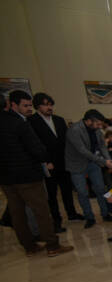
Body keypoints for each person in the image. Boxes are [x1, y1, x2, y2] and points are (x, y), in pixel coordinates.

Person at [0, 90, 73, 257]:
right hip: (27, 175)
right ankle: (52, 245)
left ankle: (29, 246)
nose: (28, 109)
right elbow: (37, 150)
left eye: (29, 105)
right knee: (41, 211)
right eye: (25, 106)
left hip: (5, 177)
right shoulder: (20, 124)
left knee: (17, 213)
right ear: (12, 105)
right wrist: (44, 158)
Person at [28, 92, 80, 230]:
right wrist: (45, 161)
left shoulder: (59, 120)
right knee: (51, 194)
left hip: (63, 161)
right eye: (45, 105)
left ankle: (72, 213)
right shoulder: (32, 121)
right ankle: (56, 220)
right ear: (38, 106)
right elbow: (35, 144)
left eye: (50, 104)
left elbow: (65, 141)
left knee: (67, 190)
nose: (49, 107)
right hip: (48, 163)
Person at [64, 109, 112, 228]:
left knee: (100, 188)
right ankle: (89, 217)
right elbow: (83, 151)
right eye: (97, 124)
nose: (99, 127)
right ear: (88, 121)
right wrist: (104, 161)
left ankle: (105, 213)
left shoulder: (97, 130)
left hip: (93, 163)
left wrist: (109, 160)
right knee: (82, 192)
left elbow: (102, 146)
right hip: (77, 165)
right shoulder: (74, 130)